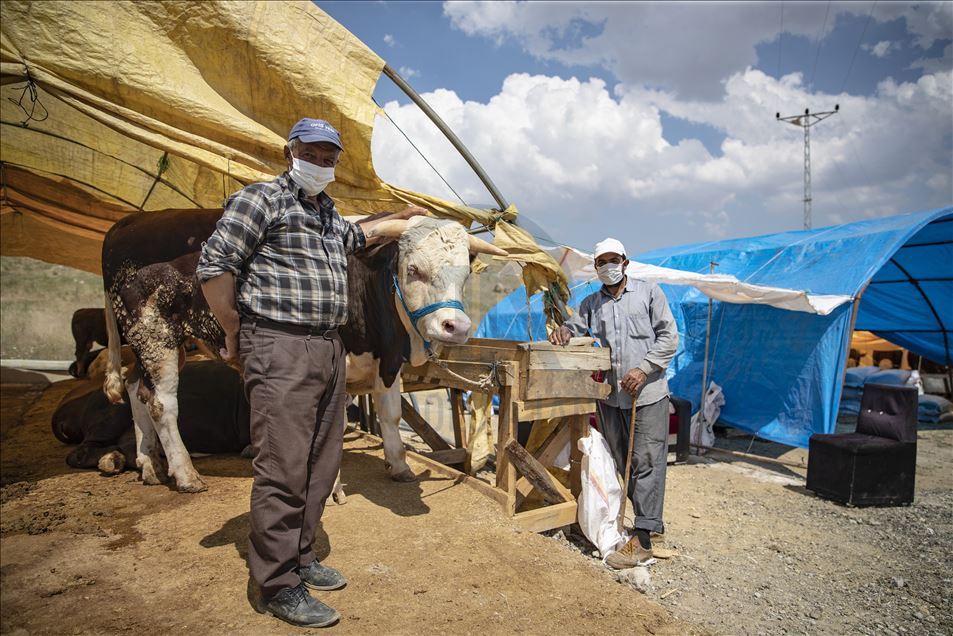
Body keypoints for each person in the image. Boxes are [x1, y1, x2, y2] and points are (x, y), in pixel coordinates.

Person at [197, 118, 425, 628]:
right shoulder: (260, 200)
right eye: (313, 152)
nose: (322, 163)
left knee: (322, 461)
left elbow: (357, 236)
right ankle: (276, 584)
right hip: (279, 343)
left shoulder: (325, 212)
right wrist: (236, 331)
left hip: (327, 347)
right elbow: (214, 266)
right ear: (290, 151)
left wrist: (401, 218)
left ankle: (301, 557)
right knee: (282, 465)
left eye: (330, 157)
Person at [549, 238, 678, 569]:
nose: (608, 266)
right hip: (612, 398)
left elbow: (669, 338)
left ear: (625, 262)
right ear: (596, 267)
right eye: (602, 261)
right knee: (624, 464)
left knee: (648, 460)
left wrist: (644, 368)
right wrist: (562, 331)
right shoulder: (592, 303)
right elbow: (574, 329)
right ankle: (649, 523)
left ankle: (645, 537)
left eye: (614, 260)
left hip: (647, 395)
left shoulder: (650, 293)